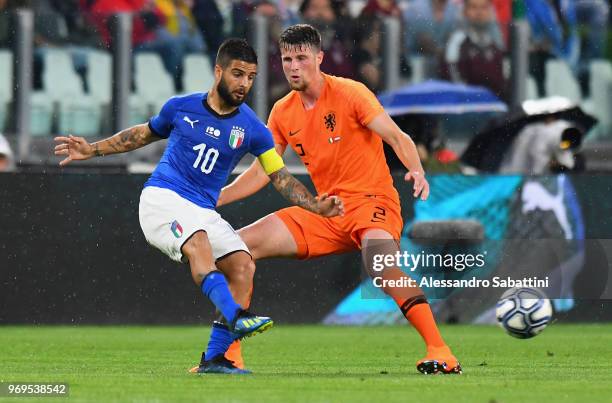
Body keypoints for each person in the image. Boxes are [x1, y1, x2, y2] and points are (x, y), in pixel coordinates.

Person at [54, 38, 343, 375]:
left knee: (243, 265)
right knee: (199, 242)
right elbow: (141, 134)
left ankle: (215, 359)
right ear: (218, 71)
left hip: (202, 210)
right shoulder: (181, 108)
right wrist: (93, 150)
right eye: (237, 74)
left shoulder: (252, 128)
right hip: (162, 199)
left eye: (250, 77)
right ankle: (236, 317)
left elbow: (278, 176)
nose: (243, 84)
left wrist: (314, 206)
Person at [214, 24, 462, 375]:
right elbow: (262, 172)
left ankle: (441, 351)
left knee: (379, 264)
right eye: (287, 59)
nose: (294, 66)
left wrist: (417, 169)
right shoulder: (283, 111)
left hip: (371, 201)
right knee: (236, 249)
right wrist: (214, 198)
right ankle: (228, 355)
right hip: (326, 210)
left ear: (319, 58)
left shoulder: (350, 93)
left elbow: (396, 135)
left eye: (301, 57)